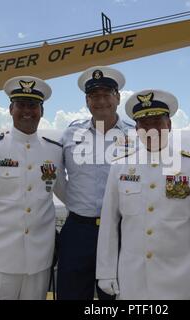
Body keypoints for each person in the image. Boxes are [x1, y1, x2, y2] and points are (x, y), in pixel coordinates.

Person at [96, 89, 190, 299]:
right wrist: (105, 272)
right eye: (145, 124)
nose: (151, 129)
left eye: (157, 122)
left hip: (178, 282)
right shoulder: (120, 166)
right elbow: (109, 224)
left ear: (169, 125)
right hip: (132, 279)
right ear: (137, 128)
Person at [0, 76, 66, 300]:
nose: (27, 111)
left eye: (33, 106)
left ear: (42, 111)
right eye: (21, 105)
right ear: (11, 109)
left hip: (39, 260)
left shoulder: (54, 151)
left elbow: (68, 194)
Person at [56, 66, 134, 300]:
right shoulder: (70, 135)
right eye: (94, 96)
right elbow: (56, 177)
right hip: (79, 230)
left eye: (106, 94)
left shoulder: (136, 136)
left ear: (118, 97)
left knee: (117, 299)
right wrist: (75, 203)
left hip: (122, 231)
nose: (100, 101)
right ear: (87, 101)